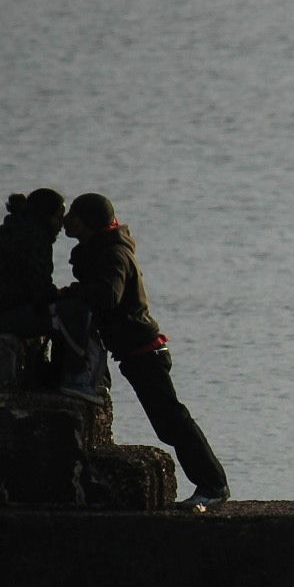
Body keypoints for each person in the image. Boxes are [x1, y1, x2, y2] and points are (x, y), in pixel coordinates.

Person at [60, 192, 231, 510]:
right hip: (136, 352)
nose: (66, 220)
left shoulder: (112, 254)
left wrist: (73, 296)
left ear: (89, 223)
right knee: (170, 422)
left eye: (74, 215)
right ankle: (212, 485)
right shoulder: (104, 250)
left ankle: (213, 485)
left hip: (144, 351)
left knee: (173, 422)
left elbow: (108, 295)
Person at [0, 188, 103, 402]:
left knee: (68, 310)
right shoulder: (33, 239)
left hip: (3, 311)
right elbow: (39, 291)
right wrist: (62, 296)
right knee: (74, 312)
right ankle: (75, 380)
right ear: (46, 215)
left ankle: (63, 376)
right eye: (58, 215)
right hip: (5, 316)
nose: (62, 222)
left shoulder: (26, 233)